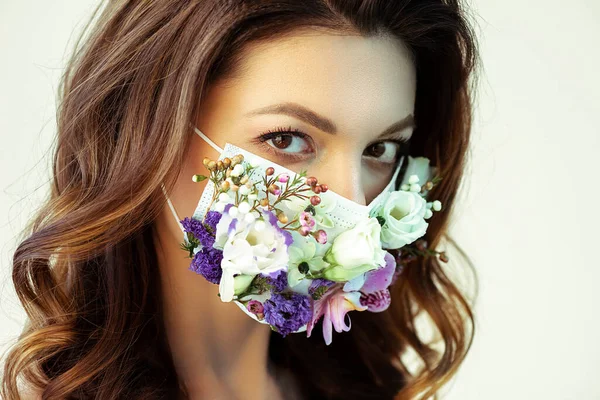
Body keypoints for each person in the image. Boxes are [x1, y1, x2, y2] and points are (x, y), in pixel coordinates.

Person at [1, 1, 480, 399]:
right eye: (289, 139)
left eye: (379, 149)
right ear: (147, 132)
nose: (352, 204)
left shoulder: (362, 388)